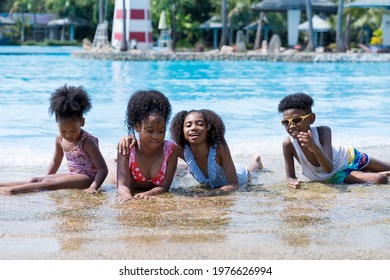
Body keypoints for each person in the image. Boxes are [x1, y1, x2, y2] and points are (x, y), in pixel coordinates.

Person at [0, 85, 108, 195]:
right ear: (58, 125)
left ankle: (11, 191)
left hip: (88, 178)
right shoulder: (59, 139)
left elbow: (103, 169)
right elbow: (56, 161)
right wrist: (45, 177)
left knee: (48, 183)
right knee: (34, 180)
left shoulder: (87, 141)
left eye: (73, 130)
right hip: (73, 175)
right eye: (63, 131)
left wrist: (94, 187)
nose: (69, 135)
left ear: (82, 122)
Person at [278, 92, 390, 189]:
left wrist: (315, 148)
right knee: (381, 178)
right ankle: (370, 174)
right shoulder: (288, 144)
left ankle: (370, 172)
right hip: (337, 176)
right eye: (286, 122)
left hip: (350, 158)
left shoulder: (323, 132)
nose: (291, 126)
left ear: (311, 118)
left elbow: (328, 167)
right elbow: (291, 176)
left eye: (296, 120)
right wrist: (292, 182)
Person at [169, 109, 262, 197]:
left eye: (200, 124)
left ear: (208, 129)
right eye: (188, 125)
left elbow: (234, 185)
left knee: (251, 172)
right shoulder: (180, 151)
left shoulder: (219, 147)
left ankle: (257, 161)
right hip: (219, 174)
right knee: (185, 166)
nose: (193, 128)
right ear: (182, 131)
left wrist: (207, 194)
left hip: (240, 176)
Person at [109, 90, 178, 201]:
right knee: (113, 174)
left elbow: (165, 186)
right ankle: (113, 162)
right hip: (117, 172)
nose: (156, 136)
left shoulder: (170, 150)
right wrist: (126, 195)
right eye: (150, 130)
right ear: (137, 127)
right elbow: (122, 185)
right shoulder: (127, 149)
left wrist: (149, 193)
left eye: (161, 131)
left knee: (180, 171)